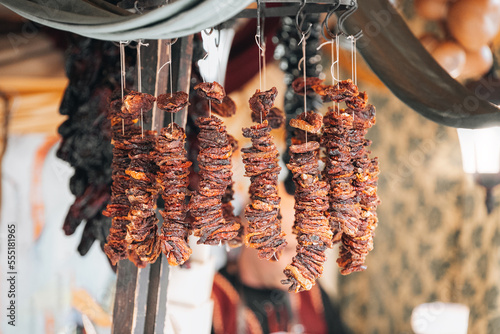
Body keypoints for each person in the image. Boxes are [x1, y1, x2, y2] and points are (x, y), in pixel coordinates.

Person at [212, 182, 349, 334]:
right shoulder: (213, 298)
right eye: (289, 249)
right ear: (250, 236)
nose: (299, 266)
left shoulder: (309, 291)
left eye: (305, 252)